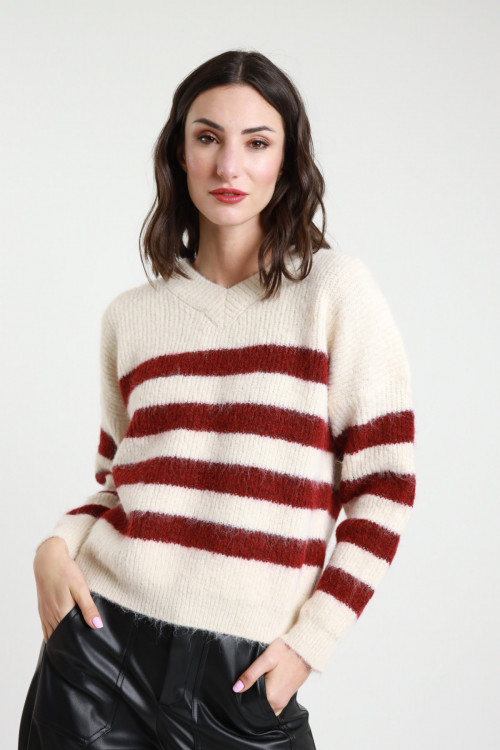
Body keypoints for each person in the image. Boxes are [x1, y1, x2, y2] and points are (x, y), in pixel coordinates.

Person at [18, 49, 416, 749]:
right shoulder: (131, 317)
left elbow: (385, 489)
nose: (229, 166)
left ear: (286, 161)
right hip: (100, 656)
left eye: (257, 143)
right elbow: (117, 483)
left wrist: (311, 644)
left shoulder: (334, 293)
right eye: (208, 138)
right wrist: (54, 547)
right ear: (180, 153)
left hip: (243, 675)